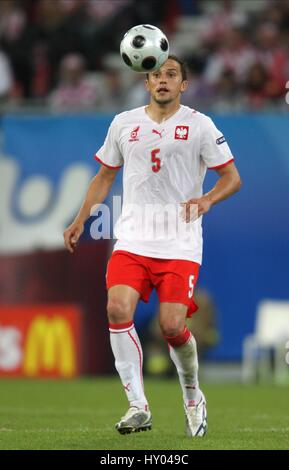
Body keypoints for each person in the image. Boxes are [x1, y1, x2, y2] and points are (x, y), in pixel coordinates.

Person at [63, 55, 241, 437]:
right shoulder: (123, 124)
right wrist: (80, 220)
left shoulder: (200, 125)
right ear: (146, 83)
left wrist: (208, 199)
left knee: (172, 326)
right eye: (156, 74)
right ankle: (137, 405)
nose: (163, 80)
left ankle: (192, 396)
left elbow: (232, 177)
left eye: (171, 75)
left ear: (184, 84)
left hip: (180, 241)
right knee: (116, 308)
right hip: (133, 237)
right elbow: (103, 176)